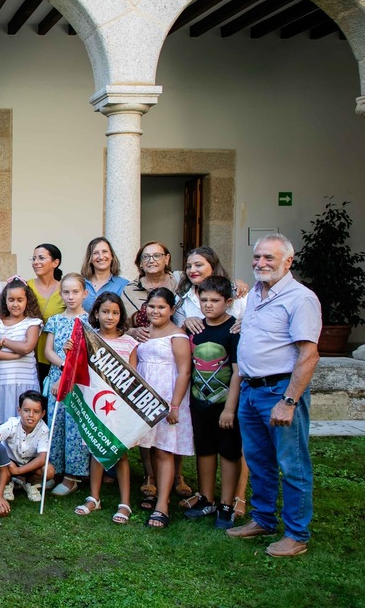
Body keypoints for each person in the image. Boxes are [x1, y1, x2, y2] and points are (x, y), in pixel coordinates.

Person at [227, 234, 321, 558]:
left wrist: (290, 400)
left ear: (288, 261)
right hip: (251, 390)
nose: (261, 263)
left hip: (279, 391)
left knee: (292, 464)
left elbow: (309, 355)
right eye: (257, 257)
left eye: (269, 258)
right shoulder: (255, 293)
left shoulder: (300, 298)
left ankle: (296, 534)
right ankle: (264, 519)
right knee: (258, 461)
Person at [183, 276, 243, 529]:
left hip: (225, 405)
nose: (208, 305)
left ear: (228, 302)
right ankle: (206, 498)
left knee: (229, 452)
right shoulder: (195, 328)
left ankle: (227, 504)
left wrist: (230, 408)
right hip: (199, 403)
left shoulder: (234, 330)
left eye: (215, 301)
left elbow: (238, 371)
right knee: (205, 449)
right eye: (204, 300)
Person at [77, 293, 138, 523]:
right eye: (104, 312)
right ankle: (94, 497)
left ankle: (125, 503)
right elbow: (80, 369)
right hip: (96, 403)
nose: (109, 316)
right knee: (95, 450)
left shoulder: (129, 343)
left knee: (119, 453)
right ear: (96, 314)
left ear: (121, 315)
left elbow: (133, 378)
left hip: (119, 408)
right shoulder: (89, 339)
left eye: (114, 312)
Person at [136, 288, 194, 529]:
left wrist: (175, 405)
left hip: (167, 395)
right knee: (148, 446)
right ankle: (151, 487)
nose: (155, 311)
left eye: (161, 307)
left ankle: (163, 504)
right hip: (144, 396)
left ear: (171, 310)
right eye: (151, 306)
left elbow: (184, 371)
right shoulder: (143, 333)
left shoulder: (177, 336)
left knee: (164, 450)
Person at [43, 273, 89, 496]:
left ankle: (73, 476)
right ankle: (54, 470)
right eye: (66, 292)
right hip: (57, 377)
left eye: (75, 292)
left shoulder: (88, 322)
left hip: (77, 382)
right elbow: (48, 350)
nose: (71, 297)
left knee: (74, 426)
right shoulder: (55, 320)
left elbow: (87, 355)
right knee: (55, 423)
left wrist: (69, 371)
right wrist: (63, 367)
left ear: (84, 293)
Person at [0, 278, 43, 423]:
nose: (15, 304)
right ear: (5, 301)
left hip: (26, 380)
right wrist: (12, 356)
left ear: (27, 301)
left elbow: (26, 347)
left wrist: (4, 341)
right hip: (3, 382)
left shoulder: (32, 323)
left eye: (19, 300)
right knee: (4, 421)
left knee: (26, 420)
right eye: (11, 300)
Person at [175, 247, 246, 333]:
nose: (192, 270)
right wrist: (185, 324)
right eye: (189, 266)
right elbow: (178, 334)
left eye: (198, 265)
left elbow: (252, 324)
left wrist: (246, 323)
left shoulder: (237, 292)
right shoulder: (182, 298)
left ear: (213, 266)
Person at [122, 241, 179, 340]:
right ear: (140, 263)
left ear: (166, 259)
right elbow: (119, 325)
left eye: (157, 256)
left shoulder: (179, 282)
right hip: (143, 344)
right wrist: (133, 331)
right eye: (146, 257)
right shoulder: (130, 290)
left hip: (178, 342)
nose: (151, 260)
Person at [27, 243, 65, 380]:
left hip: (55, 357)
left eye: (41, 258)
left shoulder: (65, 290)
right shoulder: (26, 286)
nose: (36, 262)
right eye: (34, 259)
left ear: (55, 262)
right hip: (27, 356)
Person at [80, 236, 128, 312]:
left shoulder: (124, 285)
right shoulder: (81, 283)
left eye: (105, 251)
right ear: (90, 259)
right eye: (95, 253)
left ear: (111, 256)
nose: (101, 257)